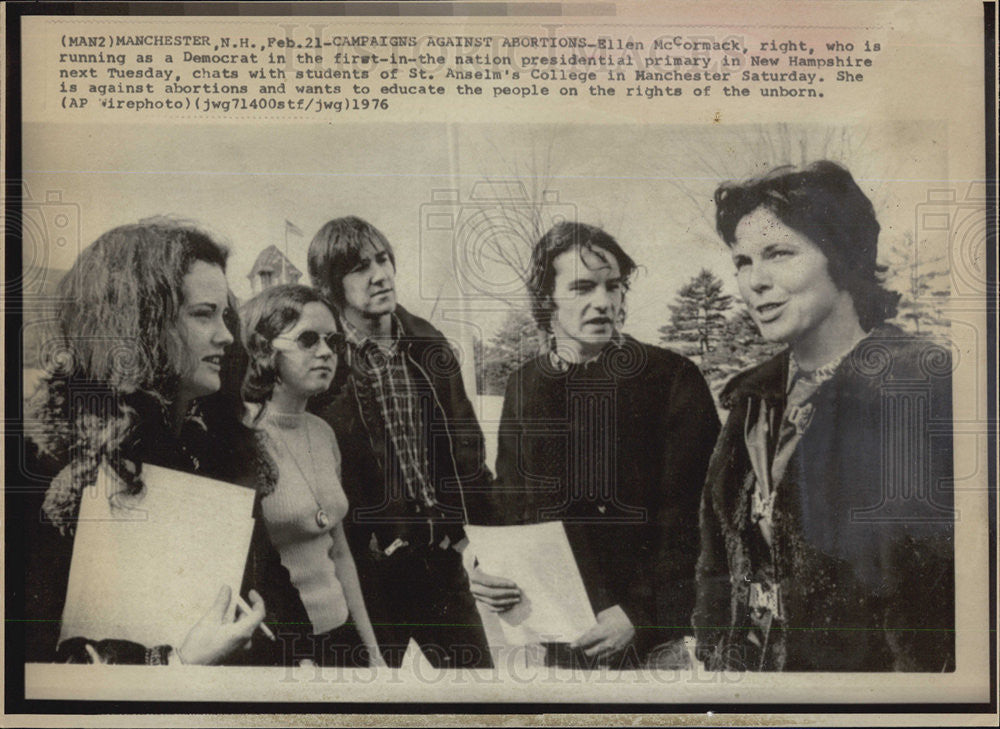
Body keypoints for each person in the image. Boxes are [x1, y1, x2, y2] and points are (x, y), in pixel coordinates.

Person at [693, 161, 955, 671]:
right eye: (743, 262)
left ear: (843, 257)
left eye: (779, 254)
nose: (755, 282)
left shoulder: (912, 388)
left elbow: (930, 611)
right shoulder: (753, 400)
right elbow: (717, 562)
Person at [18, 219, 311, 665]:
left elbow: (276, 596)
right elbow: (28, 670)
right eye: (202, 314)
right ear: (139, 324)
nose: (227, 335)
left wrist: (297, 657)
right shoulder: (47, 465)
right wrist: (178, 664)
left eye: (224, 314)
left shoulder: (213, 444)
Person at [471, 221, 720, 669]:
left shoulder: (670, 378)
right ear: (547, 299)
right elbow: (511, 505)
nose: (603, 302)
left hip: (651, 640)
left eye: (614, 286)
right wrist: (487, 571)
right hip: (562, 636)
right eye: (583, 287)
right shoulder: (525, 385)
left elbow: (693, 519)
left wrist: (641, 616)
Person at [306, 216, 492, 668]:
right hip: (366, 572)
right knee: (364, 708)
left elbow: (468, 452)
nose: (380, 275)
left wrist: (479, 541)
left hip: (440, 561)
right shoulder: (322, 359)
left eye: (384, 259)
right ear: (331, 286)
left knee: (485, 699)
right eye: (359, 267)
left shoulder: (429, 343)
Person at [240, 284, 382, 667]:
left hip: (343, 639)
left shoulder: (323, 433)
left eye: (331, 341)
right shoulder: (242, 438)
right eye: (307, 339)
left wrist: (372, 652)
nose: (325, 352)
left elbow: (339, 551)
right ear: (265, 349)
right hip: (287, 651)